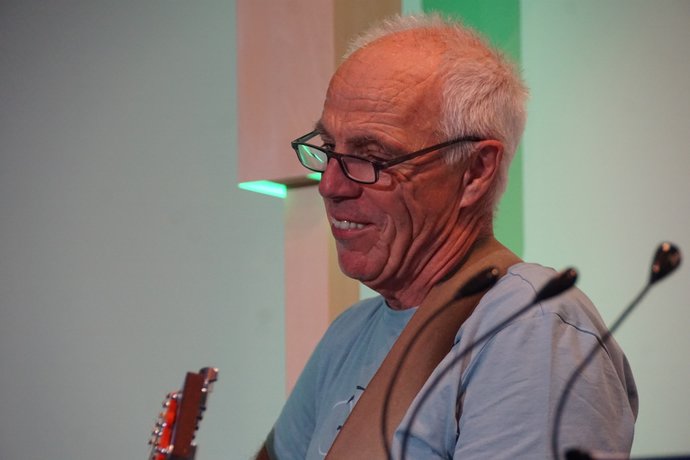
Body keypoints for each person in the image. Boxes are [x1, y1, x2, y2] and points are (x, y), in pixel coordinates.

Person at [257, 14, 637, 460]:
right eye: (328, 149)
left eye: (371, 157)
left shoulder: (530, 328)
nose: (330, 185)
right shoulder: (348, 334)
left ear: (475, 171)